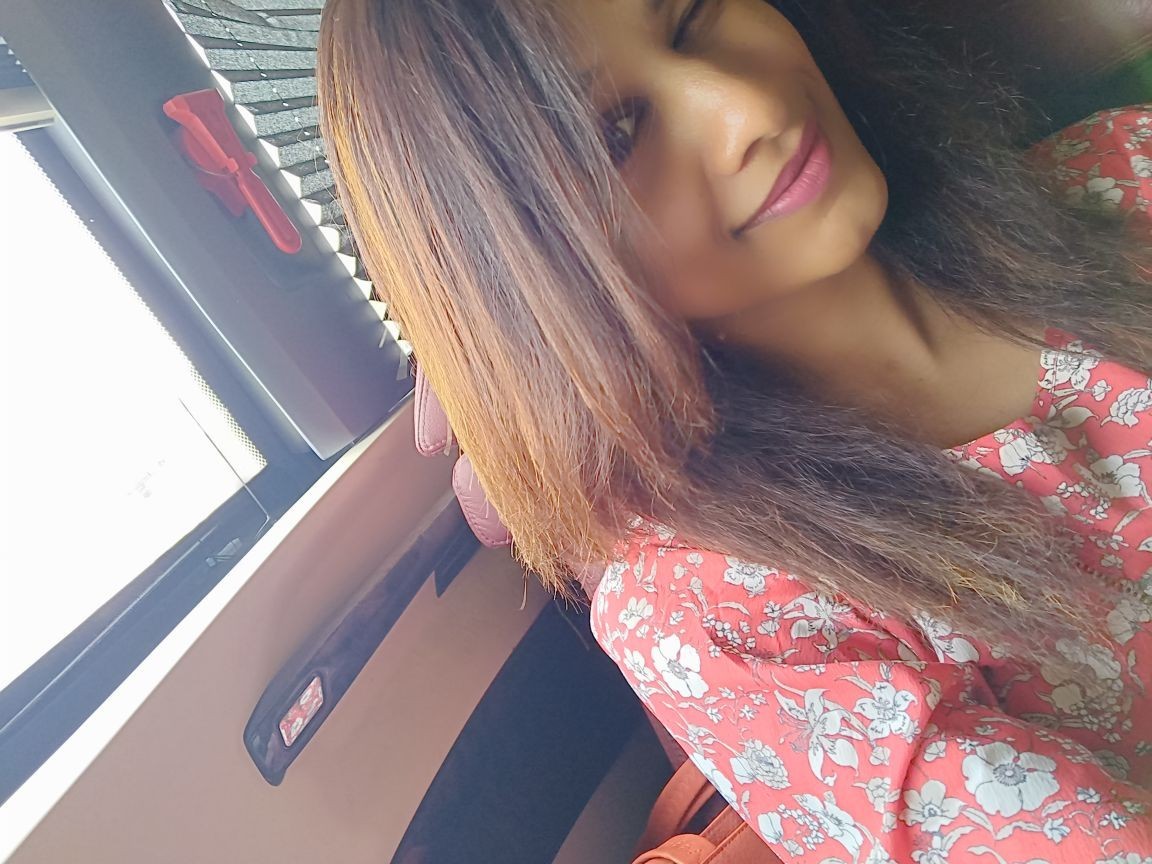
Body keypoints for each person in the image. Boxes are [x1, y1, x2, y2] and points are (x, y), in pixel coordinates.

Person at [317, 0, 1152, 858]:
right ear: (535, 267)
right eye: (617, 133)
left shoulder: (1123, 172)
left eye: (694, 16)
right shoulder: (719, 614)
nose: (749, 107)